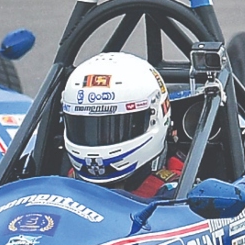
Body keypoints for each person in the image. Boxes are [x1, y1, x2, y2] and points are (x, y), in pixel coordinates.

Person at [61, 51, 183, 199]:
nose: (98, 140)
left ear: (155, 117)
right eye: (85, 128)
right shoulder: (63, 182)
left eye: (114, 129)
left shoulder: (175, 194)